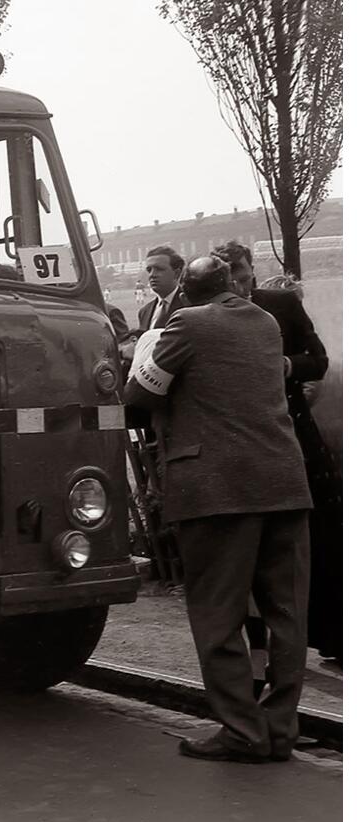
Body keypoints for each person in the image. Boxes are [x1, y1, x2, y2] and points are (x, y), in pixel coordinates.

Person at [125, 255, 312, 763]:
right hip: (284, 482)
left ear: (185, 289)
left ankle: (242, 732)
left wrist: (146, 350)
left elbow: (139, 394)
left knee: (218, 611)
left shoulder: (186, 322)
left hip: (217, 491)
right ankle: (279, 729)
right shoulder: (266, 322)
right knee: (287, 613)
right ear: (231, 285)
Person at [215, 240, 341, 664]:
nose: (242, 287)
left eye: (246, 277)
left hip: (293, 433)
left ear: (253, 270)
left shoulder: (282, 303)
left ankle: (333, 635)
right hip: (245, 440)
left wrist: (287, 365)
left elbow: (318, 359)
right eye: (232, 281)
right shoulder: (209, 316)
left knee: (319, 536)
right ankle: (264, 653)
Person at [136, 245, 186, 333]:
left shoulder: (191, 305)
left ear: (177, 273)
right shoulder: (144, 312)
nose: (152, 275)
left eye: (159, 269)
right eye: (149, 270)